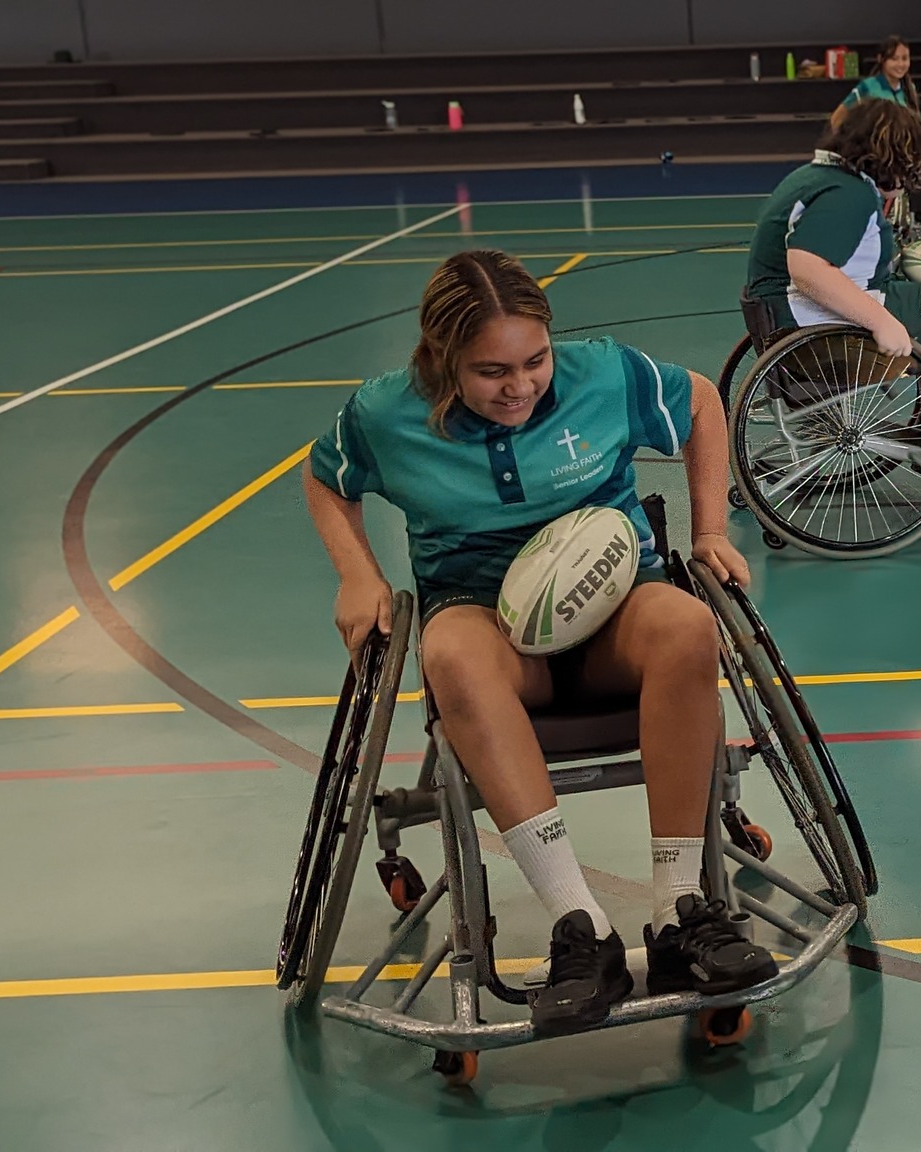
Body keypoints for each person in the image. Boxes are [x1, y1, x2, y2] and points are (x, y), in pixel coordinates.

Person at [303, 249, 777, 1039]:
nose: (520, 385)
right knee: (447, 652)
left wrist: (710, 531)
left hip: (614, 608)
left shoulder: (603, 376)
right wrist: (357, 575)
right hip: (484, 616)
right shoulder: (387, 413)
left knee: (689, 625)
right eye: (491, 371)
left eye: (534, 361)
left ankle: (678, 911)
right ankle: (577, 927)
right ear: (440, 356)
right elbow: (325, 477)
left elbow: (698, 402)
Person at [744, 98, 921, 480]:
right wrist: (881, 321)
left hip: (788, 326)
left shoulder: (816, 176)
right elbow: (807, 267)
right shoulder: (848, 194)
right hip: (817, 339)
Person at [837, 35, 920, 117]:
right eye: (894, 59)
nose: (900, 64)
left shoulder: (910, 88)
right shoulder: (868, 86)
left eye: (905, 58)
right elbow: (838, 116)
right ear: (880, 59)